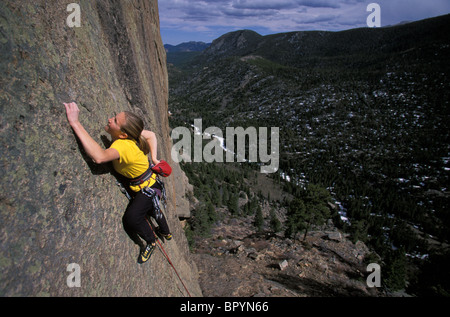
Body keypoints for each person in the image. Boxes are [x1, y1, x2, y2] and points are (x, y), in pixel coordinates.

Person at [64, 102, 172, 264]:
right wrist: (154, 158)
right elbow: (151, 135)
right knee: (153, 209)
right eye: (114, 117)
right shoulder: (132, 135)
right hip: (151, 184)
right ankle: (166, 233)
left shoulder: (122, 146)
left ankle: (151, 241)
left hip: (146, 188)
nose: (109, 120)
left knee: (133, 218)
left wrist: (75, 123)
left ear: (123, 134)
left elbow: (99, 157)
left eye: (114, 120)